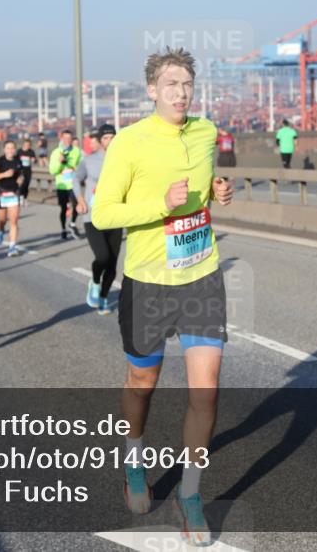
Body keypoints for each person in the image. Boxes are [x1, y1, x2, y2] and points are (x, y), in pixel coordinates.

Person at [93, 48, 234, 545]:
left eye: (187, 84)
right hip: (149, 280)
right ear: (151, 90)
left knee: (207, 390)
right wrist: (160, 203)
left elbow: (202, 188)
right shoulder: (129, 143)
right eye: (171, 84)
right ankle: (135, 459)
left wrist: (216, 190)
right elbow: (103, 212)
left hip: (201, 275)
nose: (180, 92)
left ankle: (190, 495)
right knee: (141, 381)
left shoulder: (206, 132)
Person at [74, 124, 120, 315]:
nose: (110, 141)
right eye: (107, 137)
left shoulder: (122, 161)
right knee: (102, 257)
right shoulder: (89, 160)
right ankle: (94, 281)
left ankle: (103, 299)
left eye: (113, 137)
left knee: (112, 264)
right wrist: (80, 199)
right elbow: (76, 179)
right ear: (101, 141)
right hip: (92, 216)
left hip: (116, 216)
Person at [0, 140, 25, 257]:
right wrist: (4, 175)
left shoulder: (18, 161)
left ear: (15, 150)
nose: (10, 150)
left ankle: (12, 247)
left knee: (14, 221)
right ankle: (0, 231)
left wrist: (21, 179)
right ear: (4, 149)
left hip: (14, 193)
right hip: (1, 193)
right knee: (2, 220)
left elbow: (21, 174)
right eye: (8, 148)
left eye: (12, 148)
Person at [49, 129, 82, 240]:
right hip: (62, 185)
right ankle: (63, 229)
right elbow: (53, 171)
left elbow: (82, 165)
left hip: (73, 184)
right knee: (63, 208)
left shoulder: (77, 151)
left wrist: (78, 169)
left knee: (76, 205)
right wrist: (60, 162)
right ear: (61, 139)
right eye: (65, 138)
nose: (67, 141)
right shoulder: (55, 152)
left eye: (69, 138)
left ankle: (72, 224)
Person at [17, 138, 37, 206]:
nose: (27, 146)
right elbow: (15, 160)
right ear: (23, 144)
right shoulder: (19, 151)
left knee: (26, 185)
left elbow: (35, 160)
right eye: (26, 144)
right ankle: (21, 198)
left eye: (28, 145)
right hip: (21, 170)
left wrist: (33, 160)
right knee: (22, 185)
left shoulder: (31, 152)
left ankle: (25, 198)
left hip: (28, 170)